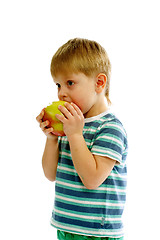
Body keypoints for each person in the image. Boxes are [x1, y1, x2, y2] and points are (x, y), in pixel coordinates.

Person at [36, 38, 128, 240]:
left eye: (70, 83)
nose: (61, 93)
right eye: (58, 85)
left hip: (98, 233)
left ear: (99, 83)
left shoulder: (110, 128)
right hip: (67, 228)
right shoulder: (71, 126)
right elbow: (51, 174)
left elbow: (92, 179)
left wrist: (75, 135)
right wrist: (52, 138)